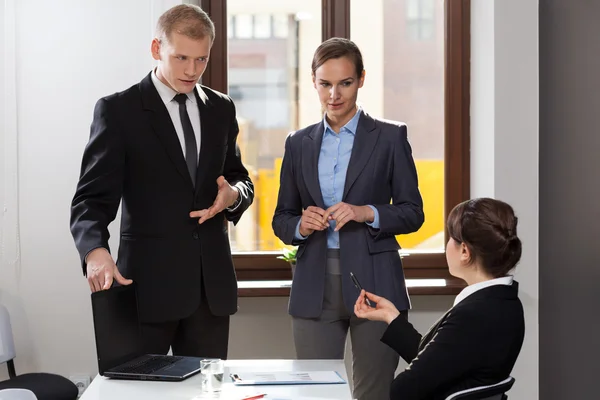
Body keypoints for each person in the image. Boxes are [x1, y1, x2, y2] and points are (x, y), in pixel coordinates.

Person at [70, 4, 253, 359]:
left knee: (206, 393)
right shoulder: (119, 111)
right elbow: (90, 200)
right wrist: (95, 252)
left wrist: (233, 195)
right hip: (145, 289)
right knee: (136, 392)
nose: (192, 70)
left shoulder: (221, 109)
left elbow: (238, 177)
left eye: (201, 60)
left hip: (209, 291)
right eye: (182, 57)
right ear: (157, 49)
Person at [272, 37, 424, 400]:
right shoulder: (298, 143)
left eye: (345, 83)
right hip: (314, 284)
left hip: (376, 282)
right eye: (325, 84)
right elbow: (282, 218)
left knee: (374, 393)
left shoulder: (390, 137)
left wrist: (365, 212)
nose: (334, 95)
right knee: (315, 394)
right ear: (313, 81)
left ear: (361, 79)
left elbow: (413, 211)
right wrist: (300, 224)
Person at [355, 197, 525, 400]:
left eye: (451, 238)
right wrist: (391, 316)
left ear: (464, 251)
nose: (447, 245)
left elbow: (405, 389)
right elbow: (438, 363)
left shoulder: (472, 315)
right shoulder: (506, 302)